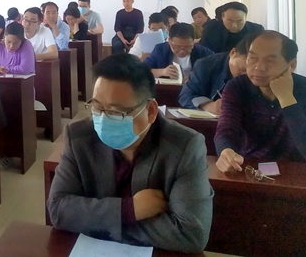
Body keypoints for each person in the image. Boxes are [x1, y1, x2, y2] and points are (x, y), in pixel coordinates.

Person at [47, 54, 213, 253]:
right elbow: (58, 210)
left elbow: (191, 233)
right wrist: (129, 210)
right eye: (97, 107)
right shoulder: (79, 137)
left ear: (150, 111)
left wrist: (98, 222)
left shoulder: (185, 146)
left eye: (116, 112)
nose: (103, 119)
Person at [215, 31, 306, 172]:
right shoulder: (237, 87)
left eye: (270, 61)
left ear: (292, 65)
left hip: (297, 173)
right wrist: (226, 150)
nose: (259, 67)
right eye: (252, 58)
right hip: (248, 169)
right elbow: (227, 129)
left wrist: (286, 98)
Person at [179, 37, 249, 114]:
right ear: (233, 53)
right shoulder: (206, 65)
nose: (246, 76)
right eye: (243, 69)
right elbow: (186, 95)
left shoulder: (258, 73)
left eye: (250, 72)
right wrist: (208, 105)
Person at [144, 23, 214, 81]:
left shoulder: (203, 52)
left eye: (187, 47)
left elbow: (216, 70)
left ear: (193, 42)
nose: (182, 51)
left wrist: (199, 75)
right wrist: (162, 72)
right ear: (170, 41)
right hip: (167, 89)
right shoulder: (160, 50)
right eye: (177, 47)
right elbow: (143, 71)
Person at [200, 1, 264, 53]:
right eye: (230, 21)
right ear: (222, 17)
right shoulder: (211, 29)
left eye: (240, 21)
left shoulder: (256, 30)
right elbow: (204, 53)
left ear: (246, 17)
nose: (234, 26)